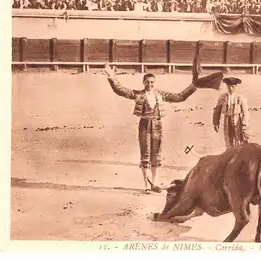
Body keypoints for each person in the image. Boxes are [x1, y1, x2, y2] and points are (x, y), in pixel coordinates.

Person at [104, 50, 223, 194]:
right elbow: (120, 90)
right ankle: (146, 186)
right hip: (144, 125)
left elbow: (180, 97)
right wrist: (111, 76)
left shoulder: (160, 94)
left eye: (152, 82)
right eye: (147, 82)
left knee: (156, 155)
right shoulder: (138, 94)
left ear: (154, 83)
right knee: (145, 155)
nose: (149, 84)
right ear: (143, 83)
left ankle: (154, 183)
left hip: (157, 125)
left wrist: (194, 86)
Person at [212, 77, 249, 149]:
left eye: (232, 86)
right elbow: (217, 110)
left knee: (238, 139)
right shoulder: (222, 97)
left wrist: (244, 125)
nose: (230, 88)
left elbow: (245, 113)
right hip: (226, 120)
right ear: (226, 86)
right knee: (228, 138)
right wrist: (216, 123)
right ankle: (229, 154)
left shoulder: (240, 98)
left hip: (237, 120)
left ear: (235, 86)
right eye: (228, 86)